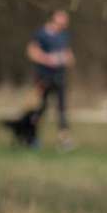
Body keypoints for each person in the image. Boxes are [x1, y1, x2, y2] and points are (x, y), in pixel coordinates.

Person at [26, 9, 75, 151]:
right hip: (43, 77)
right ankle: (32, 137)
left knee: (62, 109)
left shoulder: (64, 35)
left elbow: (68, 53)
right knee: (40, 108)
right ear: (54, 19)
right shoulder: (41, 34)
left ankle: (64, 140)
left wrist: (68, 59)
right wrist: (47, 59)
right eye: (63, 20)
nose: (65, 24)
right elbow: (31, 51)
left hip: (59, 77)